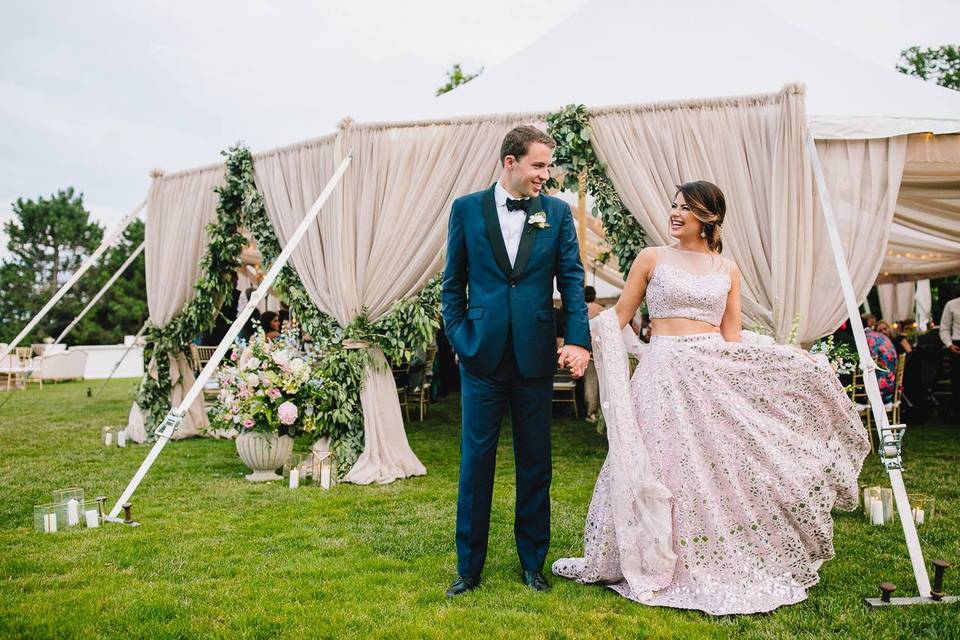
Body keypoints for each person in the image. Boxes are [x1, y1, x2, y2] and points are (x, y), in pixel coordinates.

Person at [553, 181, 869, 615]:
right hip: (662, 373)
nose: (675, 213)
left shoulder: (728, 269)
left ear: (709, 218)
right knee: (659, 463)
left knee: (713, 473)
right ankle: (647, 557)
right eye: (674, 206)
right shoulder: (652, 258)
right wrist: (579, 337)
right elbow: (619, 319)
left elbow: (732, 336)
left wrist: (779, 356)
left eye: (686, 208)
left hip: (708, 374)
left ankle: (706, 557)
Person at [441, 125, 590, 597]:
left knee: (535, 464)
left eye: (548, 166)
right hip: (481, 357)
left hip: (533, 356)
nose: (546, 175)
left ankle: (533, 563)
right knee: (476, 463)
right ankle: (469, 568)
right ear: (511, 162)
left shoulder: (558, 214)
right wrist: (462, 338)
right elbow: (452, 284)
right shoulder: (466, 210)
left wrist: (578, 340)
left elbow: (572, 279)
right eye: (538, 165)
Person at [584, 286, 605, 421]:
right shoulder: (601, 310)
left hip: (587, 349)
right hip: (601, 349)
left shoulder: (581, 309)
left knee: (590, 381)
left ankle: (591, 412)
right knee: (600, 380)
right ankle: (599, 410)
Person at [865, 318, 898, 404]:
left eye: (885, 329)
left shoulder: (897, 341)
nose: (883, 332)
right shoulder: (887, 343)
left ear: (889, 329)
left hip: (887, 386)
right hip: (892, 382)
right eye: (880, 330)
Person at [939, 294, 960, 422]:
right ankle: (957, 414)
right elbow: (944, 328)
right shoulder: (951, 304)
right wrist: (949, 344)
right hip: (957, 346)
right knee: (958, 382)